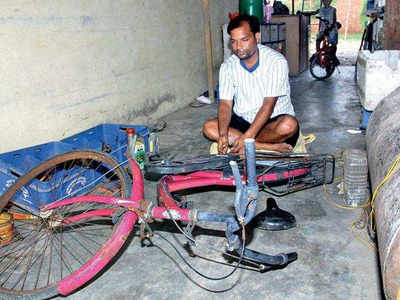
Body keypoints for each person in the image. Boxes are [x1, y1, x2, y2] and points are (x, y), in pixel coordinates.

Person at [203, 14, 299, 154]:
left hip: (270, 122)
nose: (238, 47)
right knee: (209, 127)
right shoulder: (228, 66)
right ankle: (262, 146)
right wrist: (223, 134)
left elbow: (268, 105)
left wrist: (247, 136)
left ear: (257, 37)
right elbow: (226, 104)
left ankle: (246, 143)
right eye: (234, 41)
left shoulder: (276, 62)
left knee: (288, 125)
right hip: (243, 120)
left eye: (244, 40)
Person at [316, 0, 339, 65]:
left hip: (331, 29)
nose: (326, 2)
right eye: (324, 0)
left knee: (333, 44)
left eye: (328, 0)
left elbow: (334, 21)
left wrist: (330, 28)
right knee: (318, 40)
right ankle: (318, 57)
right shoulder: (320, 10)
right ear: (322, 1)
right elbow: (320, 20)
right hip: (323, 29)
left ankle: (333, 56)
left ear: (330, 1)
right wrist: (320, 30)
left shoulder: (333, 9)